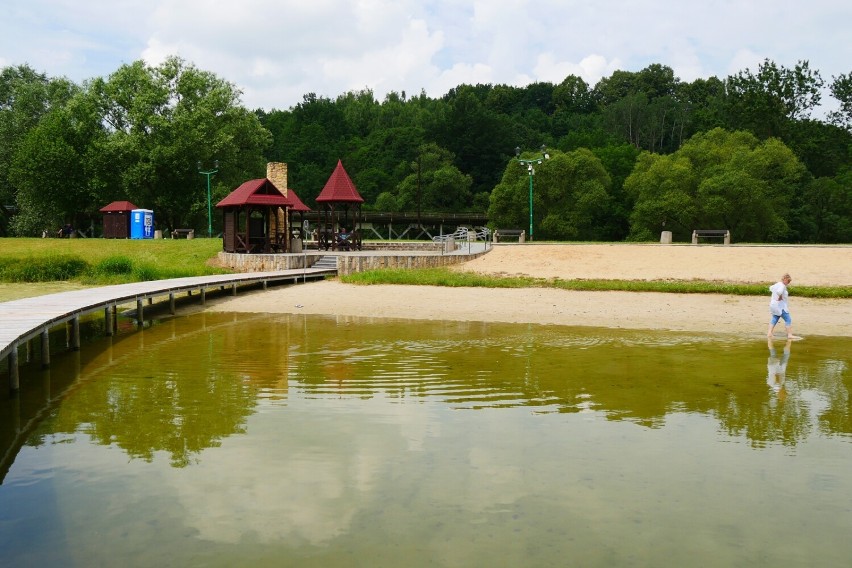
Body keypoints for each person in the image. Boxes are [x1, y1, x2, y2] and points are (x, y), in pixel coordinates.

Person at [767, 273, 793, 338]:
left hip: (773, 304)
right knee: (788, 319)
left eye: (789, 281)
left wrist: (776, 295)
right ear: (784, 279)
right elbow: (779, 292)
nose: (788, 282)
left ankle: (769, 333)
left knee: (775, 318)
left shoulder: (777, 284)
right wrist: (780, 296)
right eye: (788, 281)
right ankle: (790, 335)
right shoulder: (782, 286)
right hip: (780, 306)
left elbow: (770, 288)